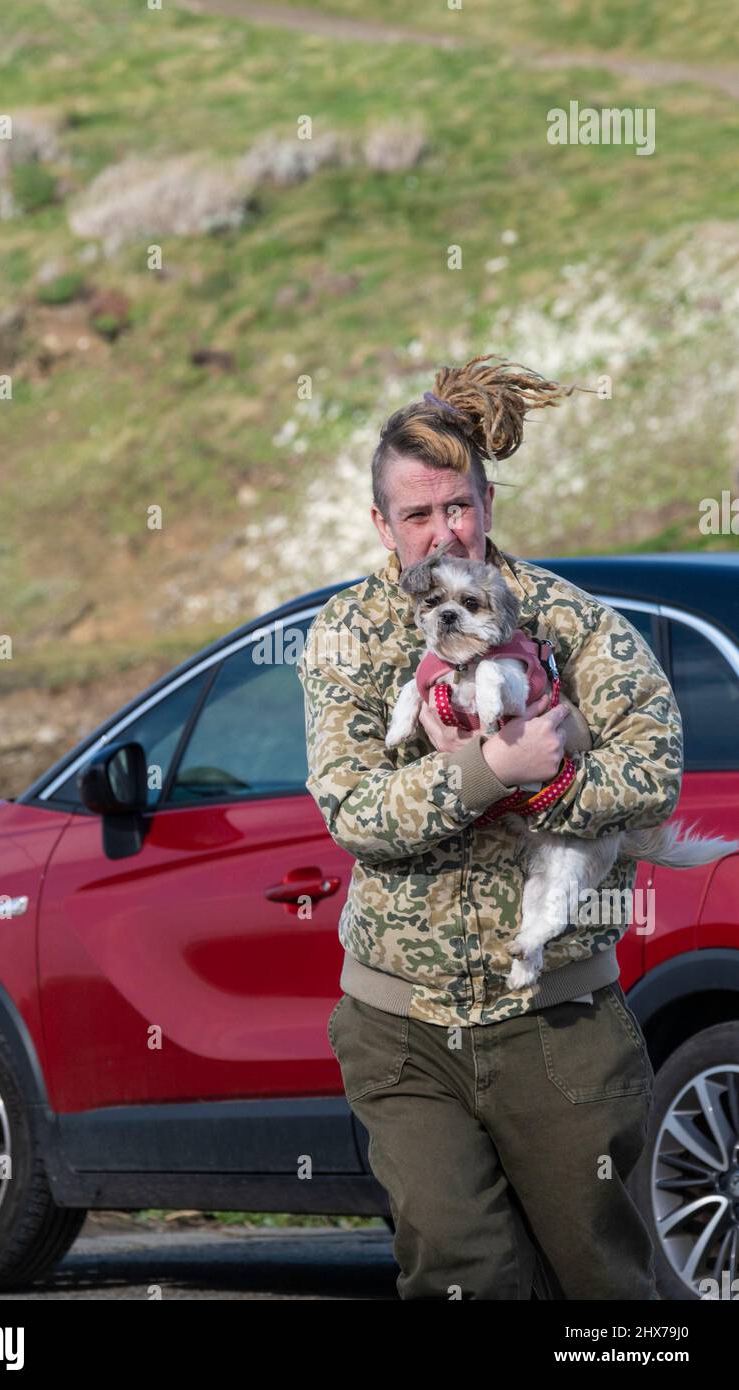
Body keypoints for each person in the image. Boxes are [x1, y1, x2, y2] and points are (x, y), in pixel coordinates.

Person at [297, 354, 683, 1300]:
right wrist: (489, 773)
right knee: (461, 1273)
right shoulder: (347, 635)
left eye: (457, 507)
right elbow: (352, 809)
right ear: (381, 525)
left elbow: (656, 769)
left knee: (606, 1287)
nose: (441, 534)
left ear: (488, 501)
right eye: (417, 515)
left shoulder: (569, 619)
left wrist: (551, 790)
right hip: (403, 1026)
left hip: (558, 1020)